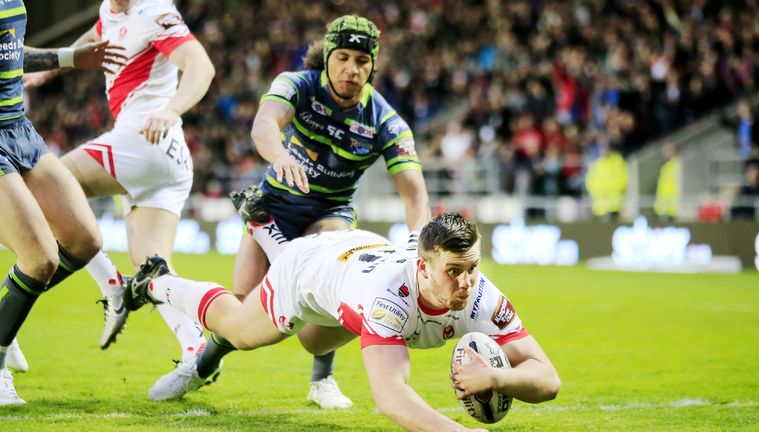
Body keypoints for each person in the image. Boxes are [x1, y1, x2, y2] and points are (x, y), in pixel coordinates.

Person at [151, 14, 430, 407]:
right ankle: (201, 367)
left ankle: (322, 380)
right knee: (243, 315)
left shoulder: (386, 121)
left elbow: (415, 194)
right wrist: (280, 155)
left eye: (362, 61)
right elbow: (264, 124)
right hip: (275, 204)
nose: (352, 69)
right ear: (328, 56)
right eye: (344, 57)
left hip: (330, 212)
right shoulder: (296, 84)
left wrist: (417, 242)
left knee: (326, 290)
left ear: (373, 67)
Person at [124, 213, 560, 431]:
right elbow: (391, 396)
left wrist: (500, 379)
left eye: (473, 267)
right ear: (424, 268)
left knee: (314, 344)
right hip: (310, 273)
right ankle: (156, 281)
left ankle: (265, 228)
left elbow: (548, 378)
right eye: (454, 271)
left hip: (358, 259)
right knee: (240, 329)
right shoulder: (387, 300)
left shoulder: (483, 297)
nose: (466, 282)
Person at [18, 0, 215, 377]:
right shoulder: (113, 8)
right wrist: (52, 70)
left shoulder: (155, 12)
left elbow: (200, 65)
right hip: (167, 159)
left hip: (144, 139)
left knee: (51, 184)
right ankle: (196, 351)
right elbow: (96, 35)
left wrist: (173, 109)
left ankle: (112, 286)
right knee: (153, 268)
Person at [0, 0, 128, 405]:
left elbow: (10, 51)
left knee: (85, 239)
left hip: (17, 128)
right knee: (39, 259)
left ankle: (5, 318)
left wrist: (71, 57)